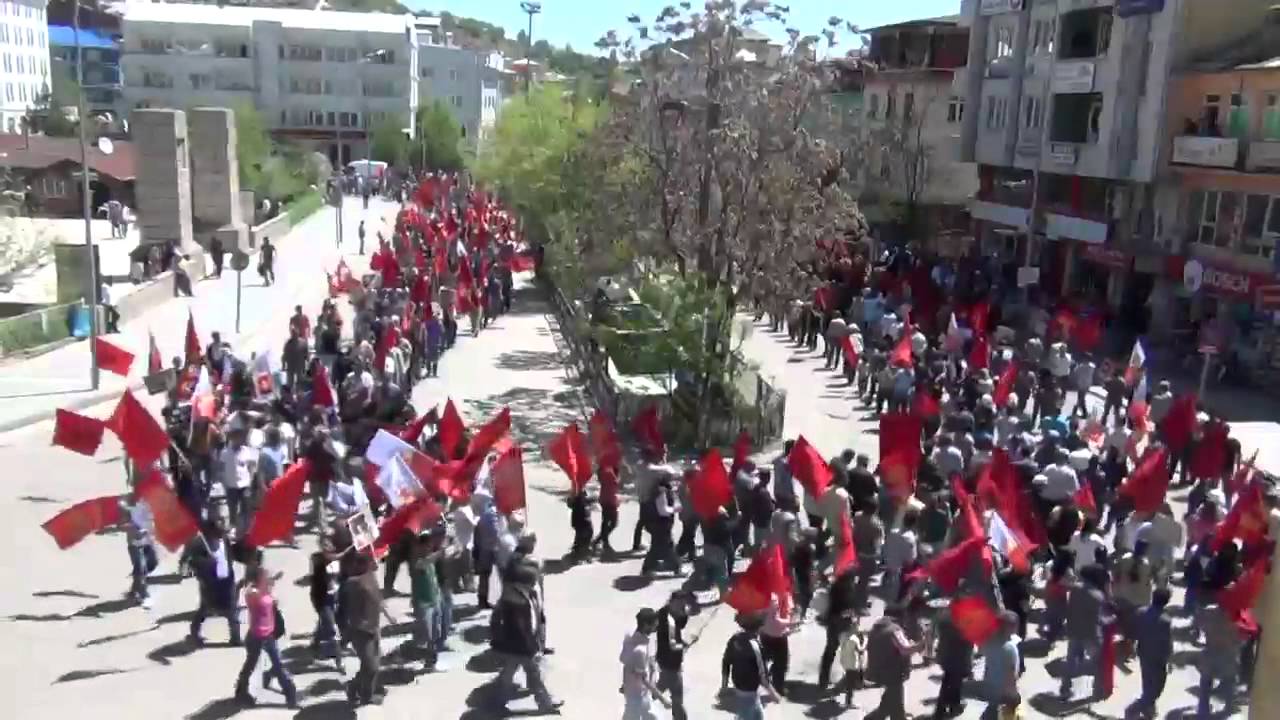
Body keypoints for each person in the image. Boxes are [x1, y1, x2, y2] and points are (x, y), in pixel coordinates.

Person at [489, 560, 562, 714]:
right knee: (531, 674)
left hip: (517, 645)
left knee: (511, 675)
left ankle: (499, 703)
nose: (533, 585)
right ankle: (545, 703)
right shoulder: (514, 601)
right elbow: (521, 628)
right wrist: (532, 647)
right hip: (517, 645)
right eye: (531, 582)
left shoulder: (522, 595)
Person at [234, 565, 298, 708]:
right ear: (258, 578)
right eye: (265, 576)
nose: (268, 578)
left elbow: (269, 589)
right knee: (250, 665)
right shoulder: (253, 593)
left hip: (269, 635)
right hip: (256, 637)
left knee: (278, 664)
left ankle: (290, 693)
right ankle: (241, 691)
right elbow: (250, 592)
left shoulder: (265, 589)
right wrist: (254, 586)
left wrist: (274, 580)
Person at [341, 551, 386, 707]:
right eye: (370, 562)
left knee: (372, 664)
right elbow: (348, 607)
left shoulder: (371, 576)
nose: (373, 564)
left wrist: (387, 613)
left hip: (374, 626)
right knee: (371, 666)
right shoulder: (353, 583)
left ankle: (355, 688)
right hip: (360, 630)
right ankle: (365, 694)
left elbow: (377, 598)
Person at [188, 520, 241, 646]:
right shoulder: (200, 543)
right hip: (210, 584)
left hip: (227, 581)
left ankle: (235, 638)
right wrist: (208, 563)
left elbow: (229, 556)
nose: (221, 534)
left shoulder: (225, 540)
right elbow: (193, 563)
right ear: (211, 531)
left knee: (232, 610)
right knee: (205, 609)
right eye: (219, 531)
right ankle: (194, 632)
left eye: (222, 531)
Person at [721, 612, 782, 720]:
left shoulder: (735, 639)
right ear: (759, 627)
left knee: (755, 714)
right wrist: (774, 694)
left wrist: (724, 686)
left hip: (739, 689)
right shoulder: (755, 646)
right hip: (750, 692)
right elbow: (763, 676)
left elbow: (726, 663)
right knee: (749, 715)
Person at [864, 607, 917, 720]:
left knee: (892, 701)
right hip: (893, 672)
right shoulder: (895, 629)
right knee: (895, 702)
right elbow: (904, 650)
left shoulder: (876, 628)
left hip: (878, 670)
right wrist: (920, 645)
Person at [1130, 587, 1173, 719]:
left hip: (1143, 651)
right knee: (1158, 684)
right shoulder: (1165, 620)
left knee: (1147, 679)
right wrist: (1170, 659)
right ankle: (1142, 705)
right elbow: (1167, 642)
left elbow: (1134, 632)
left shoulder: (1140, 612)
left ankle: (1149, 706)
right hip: (1159, 657)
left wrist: (1132, 646)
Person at [621, 608, 670, 720]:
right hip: (638, 696)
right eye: (654, 625)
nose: (657, 626)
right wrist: (663, 699)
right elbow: (644, 680)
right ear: (645, 625)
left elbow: (623, 660)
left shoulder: (630, 637)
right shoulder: (640, 651)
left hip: (632, 692)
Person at [980, 611, 1021, 720]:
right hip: (1003, 689)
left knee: (992, 709)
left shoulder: (989, 641)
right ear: (1010, 628)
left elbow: (987, 662)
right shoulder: (1009, 648)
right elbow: (1010, 672)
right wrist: (1013, 692)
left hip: (990, 683)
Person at [655, 594, 690, 720]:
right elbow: (672, 645)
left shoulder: (669, 613)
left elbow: (680, 626)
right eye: (679, 604)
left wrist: (684, 614)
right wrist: (685, 645)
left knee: (664, 683)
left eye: (682, 605)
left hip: (668, 661)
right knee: (677, 697)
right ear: (672, 602)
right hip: (669, 661)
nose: (681, 607)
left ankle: (647, 696)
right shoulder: (666, 621)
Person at [122, 490, 157, 606]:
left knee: (152, 564)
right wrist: (135, 531)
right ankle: (143, 594)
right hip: (135, 544)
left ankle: (134, 590)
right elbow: (124, 523)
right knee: (141, 568)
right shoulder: (128, 504)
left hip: (148, 542)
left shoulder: (151, 502)